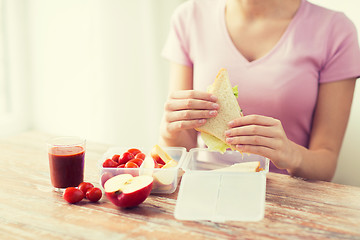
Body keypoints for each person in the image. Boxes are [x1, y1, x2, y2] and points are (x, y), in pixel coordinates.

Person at [159, 0, 360, 181]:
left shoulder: (336, 30)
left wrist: (291, 154)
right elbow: (183, 149)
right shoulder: (189, 18)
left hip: (290, 200)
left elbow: (326, 164)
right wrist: (170, 131)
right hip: (209, 188)